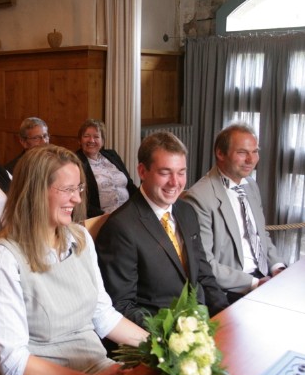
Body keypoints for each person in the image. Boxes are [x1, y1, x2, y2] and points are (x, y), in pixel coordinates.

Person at [0, 145, 149, 375]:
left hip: (94, 367)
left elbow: (103, 316)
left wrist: (160, 347)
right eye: (68, 189)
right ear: (36, 192)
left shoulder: (80, 238)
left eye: (79, 188)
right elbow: (12, 361)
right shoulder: (4, 257)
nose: (77, 198)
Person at [95, 132, 228, 328]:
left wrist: (226, 315)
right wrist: (174, 334)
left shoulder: (187, 211)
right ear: (142, 171)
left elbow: (203, 275)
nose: (175, 182)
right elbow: (122, 306)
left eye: (181, 172)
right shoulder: (121, 228)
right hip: (160, 334)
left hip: (201, 323)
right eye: (165, 173)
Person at [183, 123, 287, 303]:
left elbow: (261, 236)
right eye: (242, 152)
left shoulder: (250, 185)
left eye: (255, 151)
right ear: (220, 153)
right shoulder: (199, 197)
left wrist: (278, 267)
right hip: (233, 289)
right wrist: (255, 283)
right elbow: (204, 264)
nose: (251, 160)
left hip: (265, 277)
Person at [75, 119, 137, 218]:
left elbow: (129, 184)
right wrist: (103, 216)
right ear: (79, 140)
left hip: (128, 213)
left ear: (102, 141)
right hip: (101, 218)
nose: (91, 140)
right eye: (86, 136)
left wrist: (142, 203)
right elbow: (78, 199)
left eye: (96, 137)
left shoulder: (112, 155)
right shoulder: (75, 162)